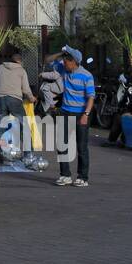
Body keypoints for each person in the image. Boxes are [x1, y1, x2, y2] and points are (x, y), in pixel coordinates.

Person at [51, 46, 94, 187]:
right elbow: (48, 60)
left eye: (66, 62)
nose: (63, 64)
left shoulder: (87, 76)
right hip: (64, 112)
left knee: (81, 147)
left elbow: (91, 98)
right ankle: (65, 175)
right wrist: (62, 53)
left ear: (74, 62)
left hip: (81, 114)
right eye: (63, 61)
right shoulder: (64, 70)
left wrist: (86, 115)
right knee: (61, 145)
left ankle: (83, 177)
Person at [0, 48, 34, 151]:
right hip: (14, 100)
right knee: (23, 126)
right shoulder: (21, 70)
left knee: (2, 127)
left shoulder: (0, 67)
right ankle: (29, 153)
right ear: (19, 61)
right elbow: (25, 88)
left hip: (1, 98)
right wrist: (32, 98)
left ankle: (1, 154)